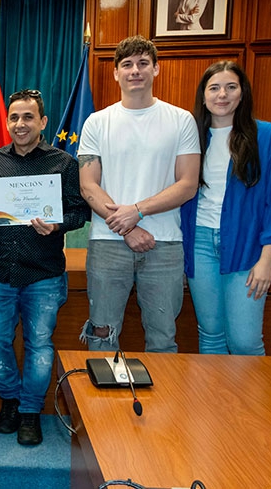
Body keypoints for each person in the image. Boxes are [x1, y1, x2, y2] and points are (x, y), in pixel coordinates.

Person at [0, 89, 89, 446]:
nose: (20, 124)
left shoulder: (63, 163)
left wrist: (58, 224)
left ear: (42, 122)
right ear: (7, 121)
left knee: (39, 344)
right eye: (14, 117)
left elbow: (79, 211)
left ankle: (29, 412)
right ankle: (10, 400)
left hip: (42, 273)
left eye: (28, 117)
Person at [78, 35, 200, 353]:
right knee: (101, 333)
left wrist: (138, 211)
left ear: (156, 69)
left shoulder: (181, 120)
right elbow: (88, 185)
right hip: (108, 243)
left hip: (164, 244)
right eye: (127, 64)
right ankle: (102, 405)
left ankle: (163, 404)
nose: (135, 70)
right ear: (116, 72)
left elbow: (187, 184)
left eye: (143, 63)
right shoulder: (96, 122)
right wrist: (129, 225)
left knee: (162, 336)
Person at [181, 62, 271, 355]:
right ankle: (216, 403)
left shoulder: (266, 136)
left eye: (231, 87)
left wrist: (267, 259)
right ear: (203, 95)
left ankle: (249, 403)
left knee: (244, 341)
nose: (222, 95)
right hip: (200, 245)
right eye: (214, 88)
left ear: (242, 93)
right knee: (211, 334)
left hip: (248, 247)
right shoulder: (192, 136)